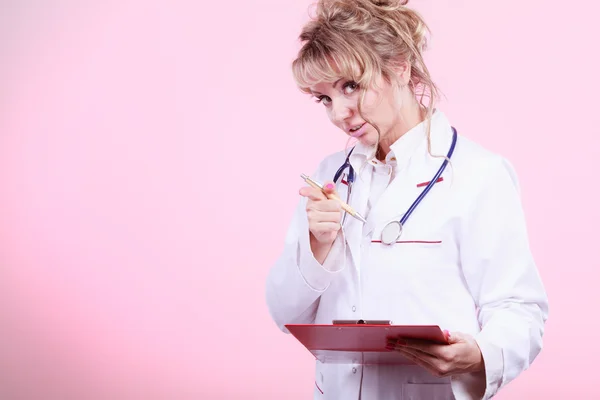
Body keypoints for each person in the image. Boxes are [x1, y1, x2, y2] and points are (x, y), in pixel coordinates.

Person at [264, 0, 549, 398]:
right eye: (324, 98)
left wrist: (480, 353)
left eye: (350, 86)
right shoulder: (329, 177)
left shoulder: (479, 174)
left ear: (398, 65)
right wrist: (317, 245)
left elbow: (520, 309)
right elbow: (284, 314)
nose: (339, 113)